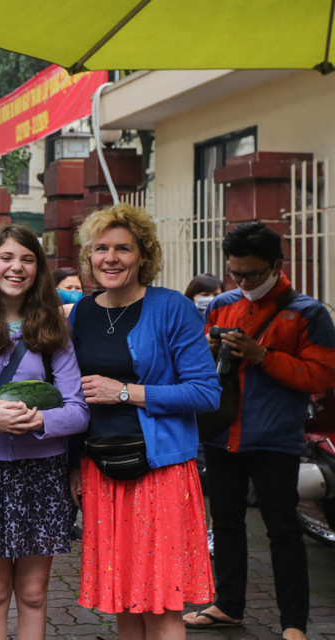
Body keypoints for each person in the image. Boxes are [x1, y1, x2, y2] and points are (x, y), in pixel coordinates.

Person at [68, 203, 220, 640]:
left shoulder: (172, 307)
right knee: (123, 599)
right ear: (90, 256)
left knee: (159, 603)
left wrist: (126, 391)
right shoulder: (83, 311)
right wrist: (74, 466)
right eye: (101, 248)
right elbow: (76, 396)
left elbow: (206, 392)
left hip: (161, 471)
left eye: (123, 249)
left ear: (143, 256)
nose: (110, 258)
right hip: (101, 470)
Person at [183, 222, 335, 640]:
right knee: (226, 523)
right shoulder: (221, 305)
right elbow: (196, 365)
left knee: (283, 528)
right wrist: (208, 349)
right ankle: (227, 605)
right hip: (221, 432)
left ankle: (293, 623)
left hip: (276, 438)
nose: (243, 282)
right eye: (236, 273)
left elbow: (322, 374)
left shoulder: (307, 312)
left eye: (251, 274)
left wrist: (262, 355)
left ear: (276, 265)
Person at [0, 225, 89, 640]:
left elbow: (78, 411)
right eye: (6, 257)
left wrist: (41, 421)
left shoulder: (53, 327)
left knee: (34, 592)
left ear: (38, 268)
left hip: (43, 475)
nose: (16, 267)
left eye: (27, 259)